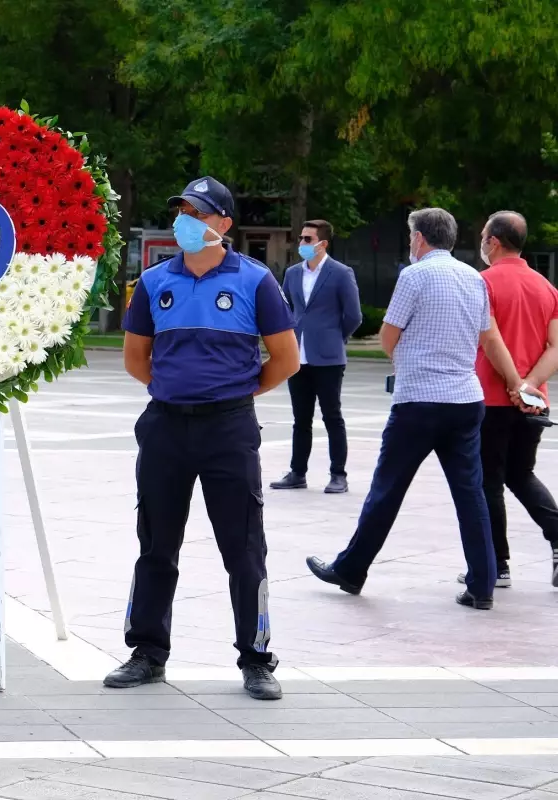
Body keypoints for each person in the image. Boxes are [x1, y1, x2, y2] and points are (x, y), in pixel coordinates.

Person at [108, 177, 299, 701]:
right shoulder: (152, 282)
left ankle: (256, 658)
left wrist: (233, 393)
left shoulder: (255, 282)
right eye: (180, 211)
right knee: (156, 544)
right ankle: (147, 652)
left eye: (197, 212)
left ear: (223, 224)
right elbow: (135, 359)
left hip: (228, 429)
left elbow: (286, 360)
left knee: (243, 549)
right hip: (166, 425)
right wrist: (175, 390)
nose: (184, 221)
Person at [307, 207, 521, 610]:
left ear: (420, 238)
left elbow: (389, 335)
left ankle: (351, 569)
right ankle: (483, 583)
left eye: (410, 237)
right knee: (470, 493)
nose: (410, 244)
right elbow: (488, 339)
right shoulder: (474, 278)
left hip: (419, 401)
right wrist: (514, 384)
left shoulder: (414, 276)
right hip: (464, 400)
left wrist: (405, 357)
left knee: (387, 489)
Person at [463, 211, 558, 588]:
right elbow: (555, 347)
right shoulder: (546, 287)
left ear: (494, 242)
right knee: (521, 473)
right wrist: (531, 385)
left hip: (490, 397)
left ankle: (496, 564)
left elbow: (488, 340)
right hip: (533, 402)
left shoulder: (480, 284)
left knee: (488, 481)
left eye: (484, 235)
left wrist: (515, 384)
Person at [270, 220, 362, 494]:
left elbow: (354, 316)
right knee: (301, 419)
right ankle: (297, 472)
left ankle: (338, 475)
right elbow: (285, 309)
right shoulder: (292, 273)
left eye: (308, 239)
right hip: (298, 358)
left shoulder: (341, 273)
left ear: (323, 243)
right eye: (301, 238)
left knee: (332, 417)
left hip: (329, 358)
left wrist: (336, 337)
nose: (302, 244)